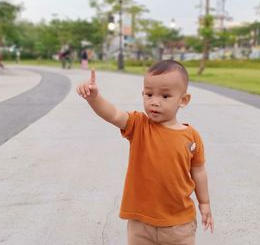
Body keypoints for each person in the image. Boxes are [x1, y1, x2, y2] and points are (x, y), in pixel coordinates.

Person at [77, 60, 214, 244]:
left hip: (179, 224)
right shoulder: (139, 125)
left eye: (165, 96)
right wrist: (94, 98)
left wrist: (204, 202)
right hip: (140, 223)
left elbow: (198, 171)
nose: (154, 102)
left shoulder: (191, 137)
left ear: (183, 100)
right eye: (149, 94)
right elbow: (114, 115)